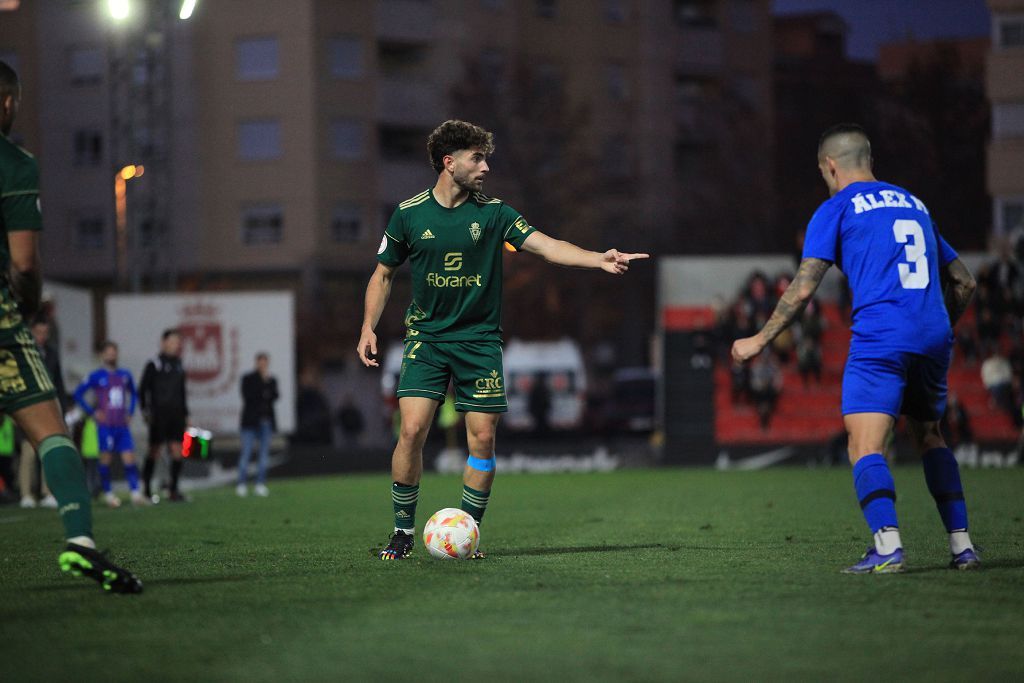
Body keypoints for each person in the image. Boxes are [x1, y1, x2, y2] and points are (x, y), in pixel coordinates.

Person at [357, 119, 648, 560]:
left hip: (479, 342)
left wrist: (597, 258)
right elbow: (382, 275)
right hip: (428, 339)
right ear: (449, 162)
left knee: (483, 440)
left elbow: (547, 246)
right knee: (412, 429)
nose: (486, 167)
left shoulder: (494, 214)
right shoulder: (409, 213)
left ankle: (469, 533)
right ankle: (401, 533)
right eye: (478, 158)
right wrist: (367, 327)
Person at [732, 123, 979, 573]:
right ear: (870, 161)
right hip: (933, 335)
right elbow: (965, 280)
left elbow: (805, 287)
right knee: (929, 436)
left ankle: (888, 548)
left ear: (830, 166)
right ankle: (962, 546)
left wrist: (759, 339)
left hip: (881, 336)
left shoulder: (837, 207)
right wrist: (936, 326)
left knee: (864, 445)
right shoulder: (915, 204)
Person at [0, 61, 140, 591]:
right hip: (3, 328)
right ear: (8, 103)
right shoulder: (13, 161)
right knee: (49, 431)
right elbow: (26, 264)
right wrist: (29, 306)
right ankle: (80, 542)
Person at [73, 341, 145, 507]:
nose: (111, 355)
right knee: (105, 459)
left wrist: (130, 412)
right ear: (102, 355)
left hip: (122, 425)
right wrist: (93, 412)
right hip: (106, 426)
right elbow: (78, 394)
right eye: (108, 352)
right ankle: (108, 493)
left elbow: (134, 394)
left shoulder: (124, 375)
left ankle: (135, 492)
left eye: (114, 352)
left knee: (129, 457)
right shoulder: (96, 376)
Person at [139, 328, 189, 502]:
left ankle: (174, 490)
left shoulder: (179, 364)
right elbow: (142, 389)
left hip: (176, 415)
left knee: (177, 451)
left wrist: (186, 414)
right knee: (154, 450)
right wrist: (145, 410)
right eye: (173, 341)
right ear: (164, 342)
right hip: (158, 415)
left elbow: (182, 392)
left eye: (178, 342)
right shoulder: (154, 363)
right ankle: (145, 489)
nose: (176, 345)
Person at [17, 316, 62, 509]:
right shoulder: (22, 351)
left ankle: (47, 492)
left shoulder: (51, 354)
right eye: (39, 332)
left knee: (48, 451)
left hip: (47, 408)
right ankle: (26, 494)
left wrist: (64, 407)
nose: (42, 336)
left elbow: (58, 382)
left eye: (45, 333)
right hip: (27, 408)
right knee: (28, 453)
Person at [237, 352, 278, 497]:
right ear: (256, 363)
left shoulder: (271, 380)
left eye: (265, 362)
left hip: (265, 421)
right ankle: (241, 483)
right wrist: (263, 387)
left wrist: (266, 385)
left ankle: (260, 483)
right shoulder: (248, 379)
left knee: (264, 455)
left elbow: (274, 396)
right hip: (250, 422)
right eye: (260, 362)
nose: (263, 365)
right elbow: (249, 396)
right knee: (246, 453)